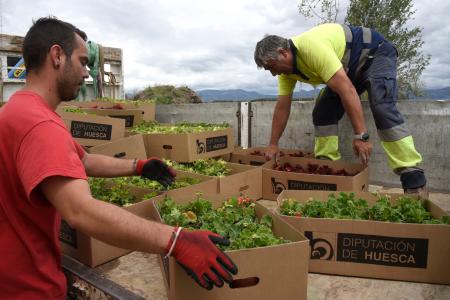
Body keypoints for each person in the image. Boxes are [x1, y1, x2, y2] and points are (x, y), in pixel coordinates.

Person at [0, 17, 237, 299]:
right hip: (30, 288)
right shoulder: (41, 126)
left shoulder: (16, 111)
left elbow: (83, 161)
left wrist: (139, 166)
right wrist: (175, 241)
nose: (86, 73)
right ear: (57, 56)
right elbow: (81, 212)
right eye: (83, 61)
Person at [254, 23, 427, 196]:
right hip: (348, 69)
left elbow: (347, 90)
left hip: (374, 54)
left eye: (272, 67)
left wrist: (361, 136)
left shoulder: (310, 48)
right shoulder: (287, 73)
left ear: (283, 53)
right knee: (323, 112)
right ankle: (327, 169)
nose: (273, 74)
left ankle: (413, 179)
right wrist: (273, 144)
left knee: (382, 107)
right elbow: (282, 108)